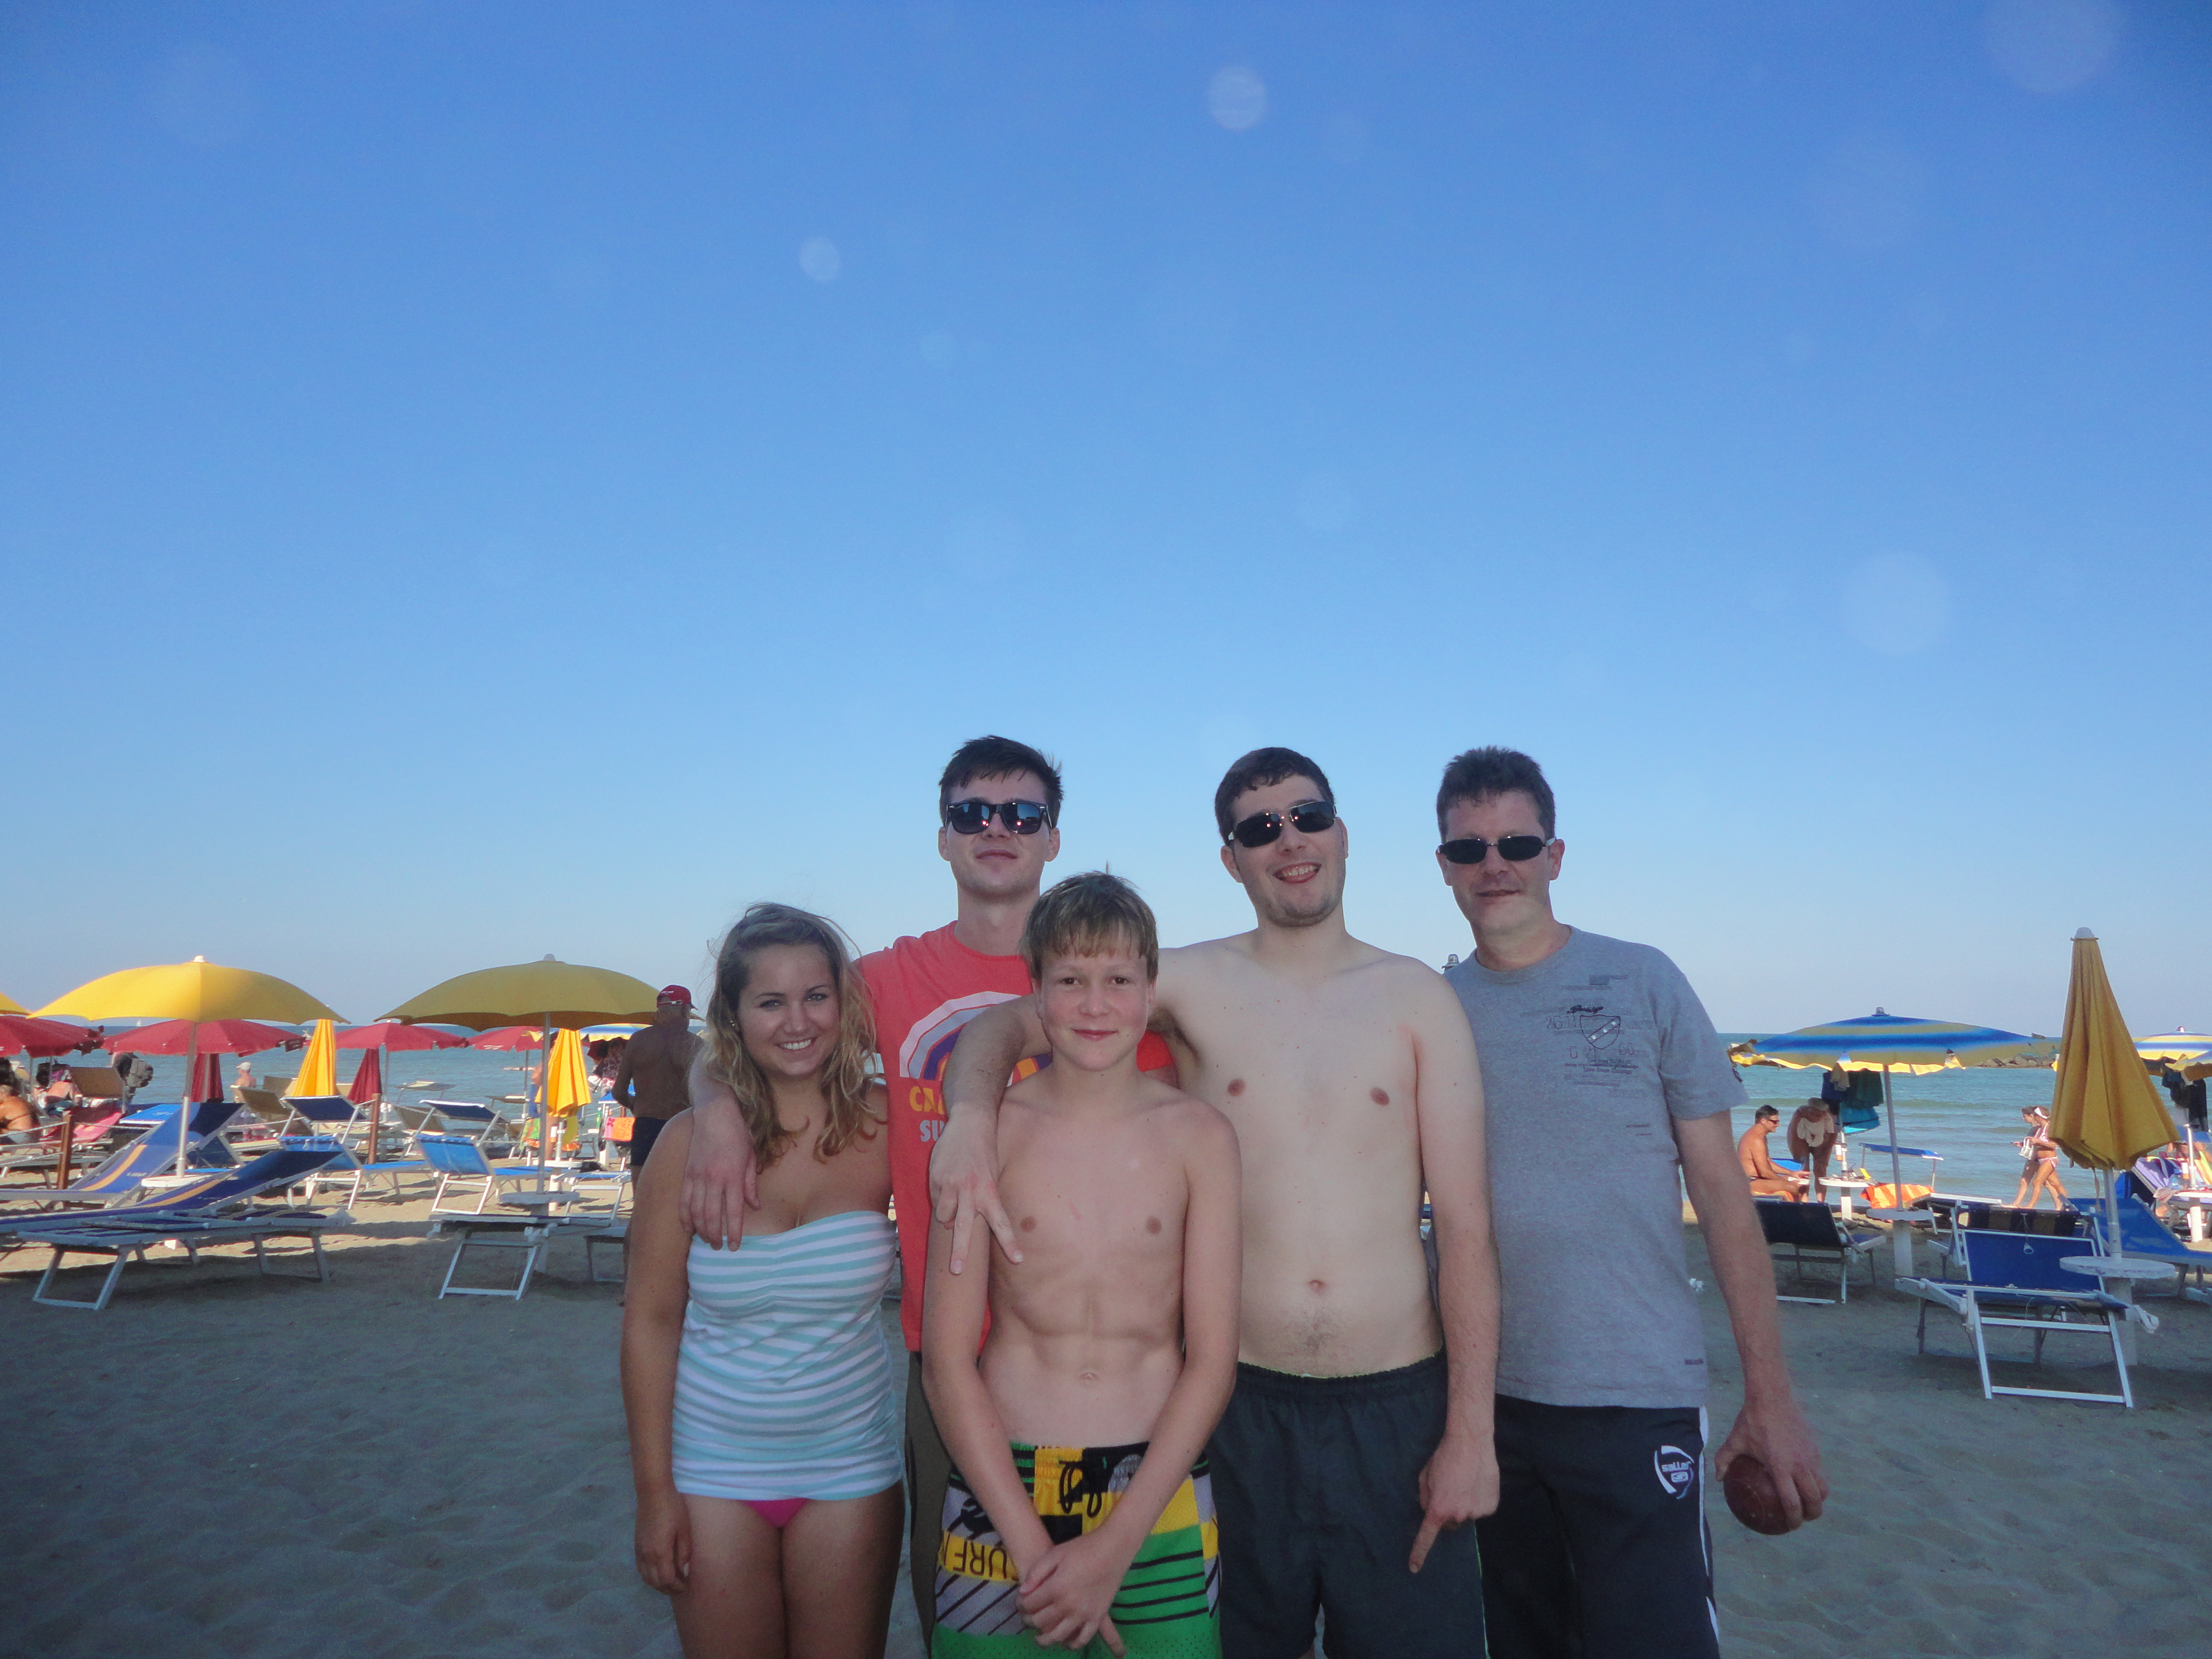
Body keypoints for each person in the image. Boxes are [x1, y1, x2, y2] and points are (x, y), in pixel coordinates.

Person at [934, 747, 1499, 1659]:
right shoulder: (1184, 981)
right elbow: (1006, 1024)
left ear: (1342, 833)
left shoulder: (1418, 997)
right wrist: (969, 1120)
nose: (1290, 841)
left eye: (1308, 817)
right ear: (1232, 860)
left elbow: (1466, 1229)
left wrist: (1471, 1431)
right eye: (1260, 829)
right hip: (1239, 1410)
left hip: (1395, 1405)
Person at [681, 735, 1179, 1644]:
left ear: (1053, 839)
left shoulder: (1115, 985)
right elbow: (762, 1027)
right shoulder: (884, 982)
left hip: (1106, 1364)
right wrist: (713, 1109)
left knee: (1128, 1608)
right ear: (943, 837)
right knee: (967, 1612)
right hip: (945, 1352)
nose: (997, 828)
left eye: (1022, 813)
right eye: (971, 813)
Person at [1431, 746, 1824, 1659]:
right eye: (1468, 847)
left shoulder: (1645, 980)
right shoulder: (1433, 1008)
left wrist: (1770, 1396)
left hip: (1635, 1391)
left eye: (1516, 843)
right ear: (1443, 865)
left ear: (1555, 855)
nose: (1494, 865)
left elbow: (1722, 1198)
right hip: (1484, 1404)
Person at [923, 873, 1241, 1656]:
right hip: (1002, 1487)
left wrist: (1114, 1547)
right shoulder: (989, 1138)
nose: (1095, 1005)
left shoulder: (1201, 1137)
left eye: (1118, 981)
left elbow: (1213, 1359)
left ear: (1151, 991)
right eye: (1070, 981)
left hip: (1157, 1489)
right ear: (1035, 993)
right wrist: (1035, 1553)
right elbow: (947, 1358)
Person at [623, 904, 903, 1659]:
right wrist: (654, 1496)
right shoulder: (685, 1145)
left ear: (844, 1005)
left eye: (816, 996)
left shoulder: (887, 1130)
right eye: (770, 1002)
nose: (797, 1022)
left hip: (852, 1467)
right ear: (735, 1016)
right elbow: (650, 1323)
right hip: (711, 1472)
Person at [618, 987, 704, 1171]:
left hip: (646, 1125)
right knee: (682, 1186)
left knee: (642, 1187)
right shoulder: (696, 1046)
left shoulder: (638, 1041)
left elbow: (619, 1092)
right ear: (685, 1011)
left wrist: (637, 1105)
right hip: (683, 1125)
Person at [1737, 1106, 1804, 1199]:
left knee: (1800, 1183)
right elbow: (1765, 1173)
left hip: (1759, 1179)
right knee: (1793, 1187)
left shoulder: (1762, 1137)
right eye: (1775, 1122)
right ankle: (1796, 1208)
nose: (1778, 1125)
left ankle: (1798, 1205)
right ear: (1763, 1121)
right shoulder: (1755, 1140)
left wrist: (1791, 1173)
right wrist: (1786, 1183)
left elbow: (1768, 1162)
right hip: (1751, 1182)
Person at [2011, 1106, 2065, 1209]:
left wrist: (2038, 1141)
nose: (2034, 1118)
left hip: (2049, 1159)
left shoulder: (2049, 1128)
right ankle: (2064, 1206)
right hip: (2042, 1160)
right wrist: (2023, 1144)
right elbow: (2037, 1144)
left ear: (2039, 1116)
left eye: (2035, 1116)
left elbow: (2054, 1145)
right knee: (2055, 1184)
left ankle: (2031, 1206)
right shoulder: (2040, 1129)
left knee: (2037, 1182)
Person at [1786, 1098, 1839, 1199]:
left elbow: (1832, 1135)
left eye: (1818, 1115)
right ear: (1808, 1110)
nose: (1815, 1118)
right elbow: (1795, 1136)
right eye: (1812, 1114)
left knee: (1820, 1168)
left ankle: (1821, 1202)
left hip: (1824, 1135)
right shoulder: (1799, 1115)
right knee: (1804, 1168)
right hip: (1799, 1137)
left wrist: (1825, 1155)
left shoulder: (1829, 1118)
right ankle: (1804, 1201)